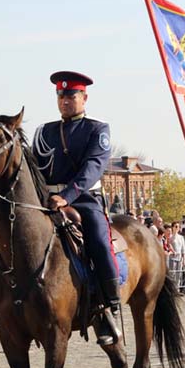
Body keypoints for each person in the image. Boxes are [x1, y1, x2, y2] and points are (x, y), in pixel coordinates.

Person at [32, 70, 121, 346]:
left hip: (83, 199)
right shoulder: (44, 131)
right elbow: (35, 168)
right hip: (46, 200)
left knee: (97, 239)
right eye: (61, 95)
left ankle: (108, 305)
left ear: (84, 97)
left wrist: (67, 196)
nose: (65, 100)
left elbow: (93, 168)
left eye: (71, 95)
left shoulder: (97, 129)